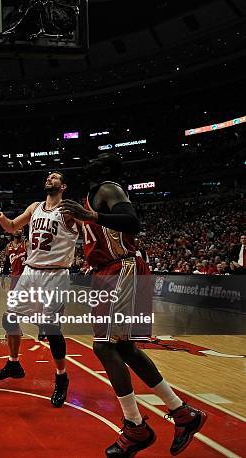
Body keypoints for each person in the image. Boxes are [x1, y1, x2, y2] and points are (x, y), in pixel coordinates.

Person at [60, 152, 206, 457]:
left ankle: (135, 426)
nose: (93, 161)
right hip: (109, 271)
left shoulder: (108, 188)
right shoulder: (90, 196)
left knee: (103, 347)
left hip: (122, 268)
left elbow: (133, 221)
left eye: (100, 159)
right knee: (125, 348)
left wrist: (92, 217)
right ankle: (182, 413)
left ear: (107, 170)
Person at [0, 171, 78, 407]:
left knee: (51, 327)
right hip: (31, 271)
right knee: (9, 319)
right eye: (48, 176)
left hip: (56, 273)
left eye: (56, 177)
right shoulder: (35, 207)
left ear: (63, 186)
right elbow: (11, 227)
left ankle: (61, 378)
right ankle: (14, 363)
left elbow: (88, 230)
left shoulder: (69, 210)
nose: (50, 178)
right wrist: (0, 217)